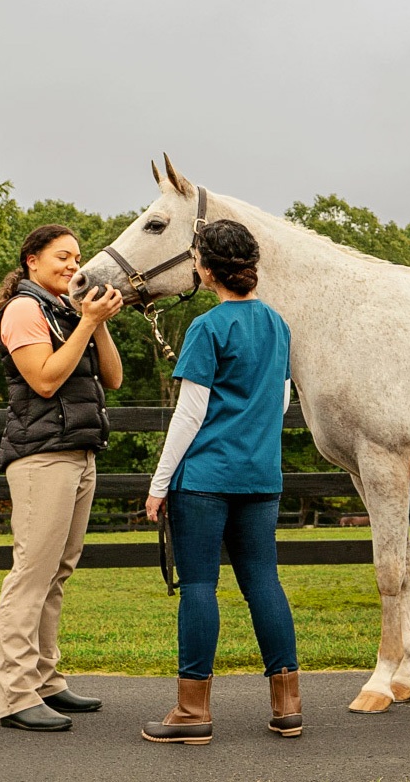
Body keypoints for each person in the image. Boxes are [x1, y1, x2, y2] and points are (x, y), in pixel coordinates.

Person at [141, 219, 301, 745]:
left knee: (200, 587)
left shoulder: (207, 329)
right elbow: (279, 401)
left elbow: (189, 415)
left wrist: (159, 484)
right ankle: (287, 704)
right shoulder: (278, 325)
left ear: (206, 270)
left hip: (206, 480)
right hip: (261, 477)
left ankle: (192, 712)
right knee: (264, 584)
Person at [0, 224, 125, 732]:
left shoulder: (66, 309)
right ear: (32, 260)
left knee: (57, 573)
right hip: (42, 458)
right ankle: (17, 695)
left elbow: (111, 378)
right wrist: (87, 324)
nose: (73, 265)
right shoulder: (24, 309)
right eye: (62, 257)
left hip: (80, 454)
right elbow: (45, 380)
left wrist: (98, 320)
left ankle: (46, 680)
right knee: (31, 575)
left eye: (77, 258)